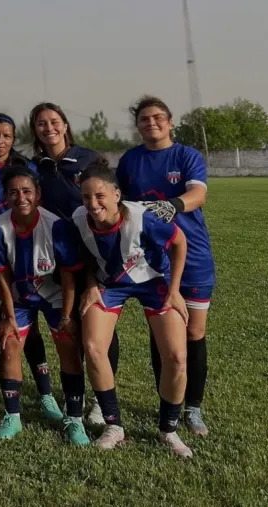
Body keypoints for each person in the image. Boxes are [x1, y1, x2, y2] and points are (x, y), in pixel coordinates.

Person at [68, 162, 193, 457]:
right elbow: (86, 255)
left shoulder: (143, 217)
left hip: (155, 281)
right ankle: (114, 426)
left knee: (176, 356)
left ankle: (168, 430)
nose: (93, 204)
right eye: (86, 197)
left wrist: (174, 290)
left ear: (116, 195)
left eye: (100, 196)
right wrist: (90, 285)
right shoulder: (79, 218)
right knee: (93, 348)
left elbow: (179, 242)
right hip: (111, 284)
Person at [117, 96, 214, 436]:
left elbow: (198, 194)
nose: (151, 123)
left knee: (195, 332)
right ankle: (168, 406)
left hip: (194, 255)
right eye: (144, 119)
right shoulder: (130, 160)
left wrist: (172, 206)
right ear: (138, 126)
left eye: (158, 117)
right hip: (154, 260)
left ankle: (193, 408)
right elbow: (118, 203)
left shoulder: (186, 156)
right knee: (162, 335)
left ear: (170, 122)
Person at [0, 113, 60, 420]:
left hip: (21, 255)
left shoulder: (25, 167)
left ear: (13, 139)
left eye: (6, 135)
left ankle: (45, 393)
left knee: (27, 328)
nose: (0, 140)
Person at [30, 102, 119, 426]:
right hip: (55, 258)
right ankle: (76, 395)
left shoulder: (87, 158)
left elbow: (110, 199)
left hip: (93, 253)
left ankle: (100, 398)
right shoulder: (34, 165)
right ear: (35, 130)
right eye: (41, 123)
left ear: (65, 125)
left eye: (54, 121)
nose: (49, 128)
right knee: (69, 329)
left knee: (97, 325)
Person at [0, 166, 89, 444]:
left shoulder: (55, 225)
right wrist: (8, 316)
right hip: (20, 298)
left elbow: (68, 277)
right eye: (14, 192)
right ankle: (13, 416)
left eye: (27, 191)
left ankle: (75, 419)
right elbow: (2, 276)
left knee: (68, 346)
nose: (21, 197)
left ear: (38, 194)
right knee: (9, 344)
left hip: (55, 297)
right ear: (6, 197)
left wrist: (67, 317)